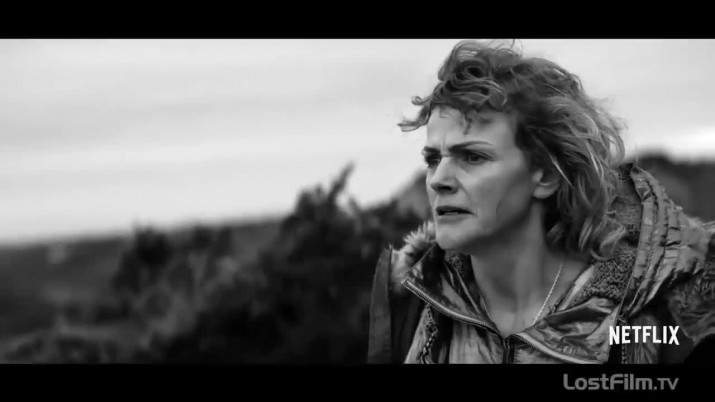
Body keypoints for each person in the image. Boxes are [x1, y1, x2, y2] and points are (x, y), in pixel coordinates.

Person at [367, 40, 715, 364]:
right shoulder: (411, 302)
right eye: (433, 159)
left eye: (472, 157)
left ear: (546, 175)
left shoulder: (666, 316)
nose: (438, 179)